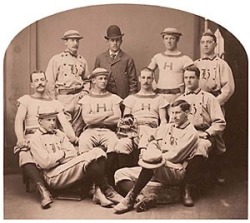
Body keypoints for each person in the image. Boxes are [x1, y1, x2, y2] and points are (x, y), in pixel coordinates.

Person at [113, 100, 199, 214]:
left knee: (152, 161)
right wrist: (144, 149)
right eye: (172, 113)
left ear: (187, 113)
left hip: (174, 170)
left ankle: (131, 198)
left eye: (177, 113)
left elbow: (175, 156)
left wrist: (152, 155)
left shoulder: (191, 133)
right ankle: (142, 198)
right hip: (156, 167)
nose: (174, 116)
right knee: (120, 174)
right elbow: (149, 136)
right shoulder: (168, 127)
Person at [29, 106, 124, 209]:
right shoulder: (35, 139)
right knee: (87, 158)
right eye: (48, 120)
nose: (52, 123)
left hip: (66, 168)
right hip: (52, 176)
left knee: (98, 151)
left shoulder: (59, 134)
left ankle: (99, 191)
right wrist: (63, 154)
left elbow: (73, 153)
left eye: (54, 120)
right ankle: (107, 191)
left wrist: (57, 158)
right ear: (40, 121)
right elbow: (45, 163)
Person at [14, 70, 78, 209]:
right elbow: (19, 120)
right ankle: (42, 190)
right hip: (32, 136)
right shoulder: (26, 99)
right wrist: (20, 138)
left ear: (46, 82)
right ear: (32, 84)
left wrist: (73, 137)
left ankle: (59, 184)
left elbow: (64, 123)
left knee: (72, 151)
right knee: (24, 154)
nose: (40, 83)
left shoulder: (54, 102)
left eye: (42, 80)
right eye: (36, 80)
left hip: (52, 137)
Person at [177, 64, 226, 206]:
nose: (188, 81)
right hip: (184, 133)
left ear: (198, 79)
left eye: (192, 77)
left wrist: (207, 133)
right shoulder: (179, 99)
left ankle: (187, 188)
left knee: (200, 147)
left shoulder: (209, 98)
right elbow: (173, 122)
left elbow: (220, 122)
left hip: (202, 134)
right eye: (186, 78)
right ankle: (173, 182)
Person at [194, 30, 235, 183]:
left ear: (215, 44)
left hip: (215, 103)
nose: (205, 45)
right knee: (200, 134)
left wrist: (215, 103)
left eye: (209, 42)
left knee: (217, 137)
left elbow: (228, 88)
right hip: (199, 104)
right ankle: (202, 174)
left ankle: (217, 173)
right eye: (203, 42)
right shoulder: (196, 63)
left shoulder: (221, 64)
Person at [115, 67, 169, 168]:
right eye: (143, 77)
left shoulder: (160, 99)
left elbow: (164, 120)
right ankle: (124, 176)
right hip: (134, 130)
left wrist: (159, 134)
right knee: (122, 144)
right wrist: (130, 133)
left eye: (149, 78)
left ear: (153, 79)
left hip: (151, 131)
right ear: (139, 79)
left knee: (148, 148)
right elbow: (126, 119)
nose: (146, 81)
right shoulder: (131, 99)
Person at [78, 68, 122, 186]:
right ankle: (88, 182)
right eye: (100, 79)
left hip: (108, 131)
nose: (103, 81)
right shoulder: (86, 98)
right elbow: (87, 119)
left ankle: (105, 180)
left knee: (115, 142)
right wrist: (107, 113)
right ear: (93, 80)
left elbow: (117, 118)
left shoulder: (113, 97)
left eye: (105, 78)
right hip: (90, 130)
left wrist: (95, 118)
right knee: (83, 141)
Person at [45, 30, 90, 136]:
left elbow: (87, 80)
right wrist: (53, 102)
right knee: (65, 132)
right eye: (72, 40)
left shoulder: (82, 60)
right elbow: (49, 82)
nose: (75, 43)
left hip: (79, 99)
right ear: (65, 42)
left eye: (77, 41)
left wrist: (85, 92)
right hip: (63, 99)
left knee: (78, 130)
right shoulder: (56, 59)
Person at [147, 27, 193, 104]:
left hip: (177, 96)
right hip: (160, 96)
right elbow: (147, 72)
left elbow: (192, 77)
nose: (169, 41)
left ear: (177, 40)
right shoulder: (158, 57)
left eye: (172, 38)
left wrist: (185, 93)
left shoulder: (185, 59)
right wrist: (153, 84)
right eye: (166, 38)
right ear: (163, 41)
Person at [94, 25, 138, 99]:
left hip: (122, 98)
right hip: (104, 98)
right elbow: (94, 80)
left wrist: (130, 100)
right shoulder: (100, 58)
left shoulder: (128, 59)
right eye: (112, 40)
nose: (115, 43)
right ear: (107, 41)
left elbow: (133, 83)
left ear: (121, 41)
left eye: (117, 40)